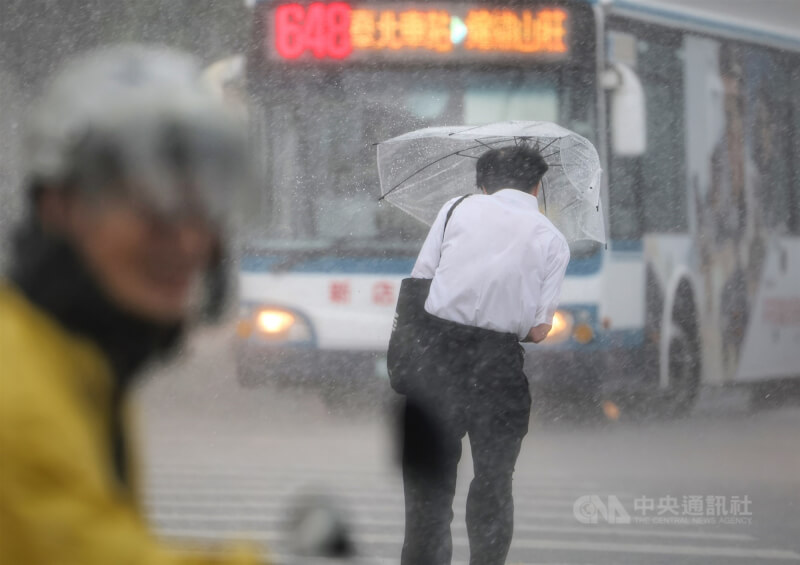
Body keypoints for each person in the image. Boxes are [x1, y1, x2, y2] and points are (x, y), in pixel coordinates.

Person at [0, 45, 265, 564]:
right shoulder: (18, 394)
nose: (188, 244)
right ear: (60, 206)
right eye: (153, 209)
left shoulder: (79, 365)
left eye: (201, 211)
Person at [400, 145, 570, 565]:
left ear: (483, 184)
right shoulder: (552, 239)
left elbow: (421, 280)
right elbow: (537, 329)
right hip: (498, 369)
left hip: (437, 359)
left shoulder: (456, 209)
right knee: (495, 480)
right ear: (536, 185)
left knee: (430, 486)